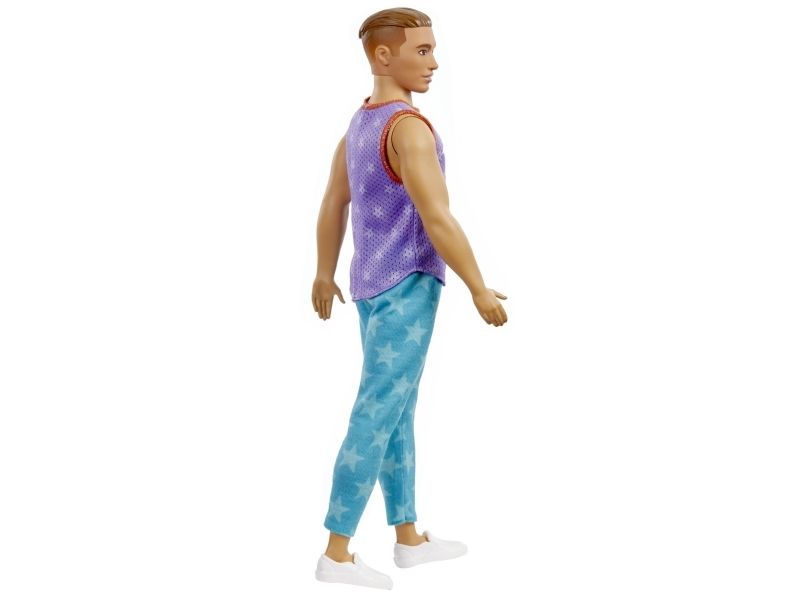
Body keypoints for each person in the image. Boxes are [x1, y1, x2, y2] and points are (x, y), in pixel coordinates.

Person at [311, 7, 508, 590]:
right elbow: (437, 216)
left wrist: (324, 272)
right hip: (407, 284)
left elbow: (333, 203)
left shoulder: (359, 125)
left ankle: (408, 536)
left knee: (397, 410)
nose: (434, 62)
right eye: (422, 51)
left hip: (369, 285)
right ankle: (336, 551)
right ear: (382, 56)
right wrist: (477, 286)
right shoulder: (409, 129)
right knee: (376, 412)